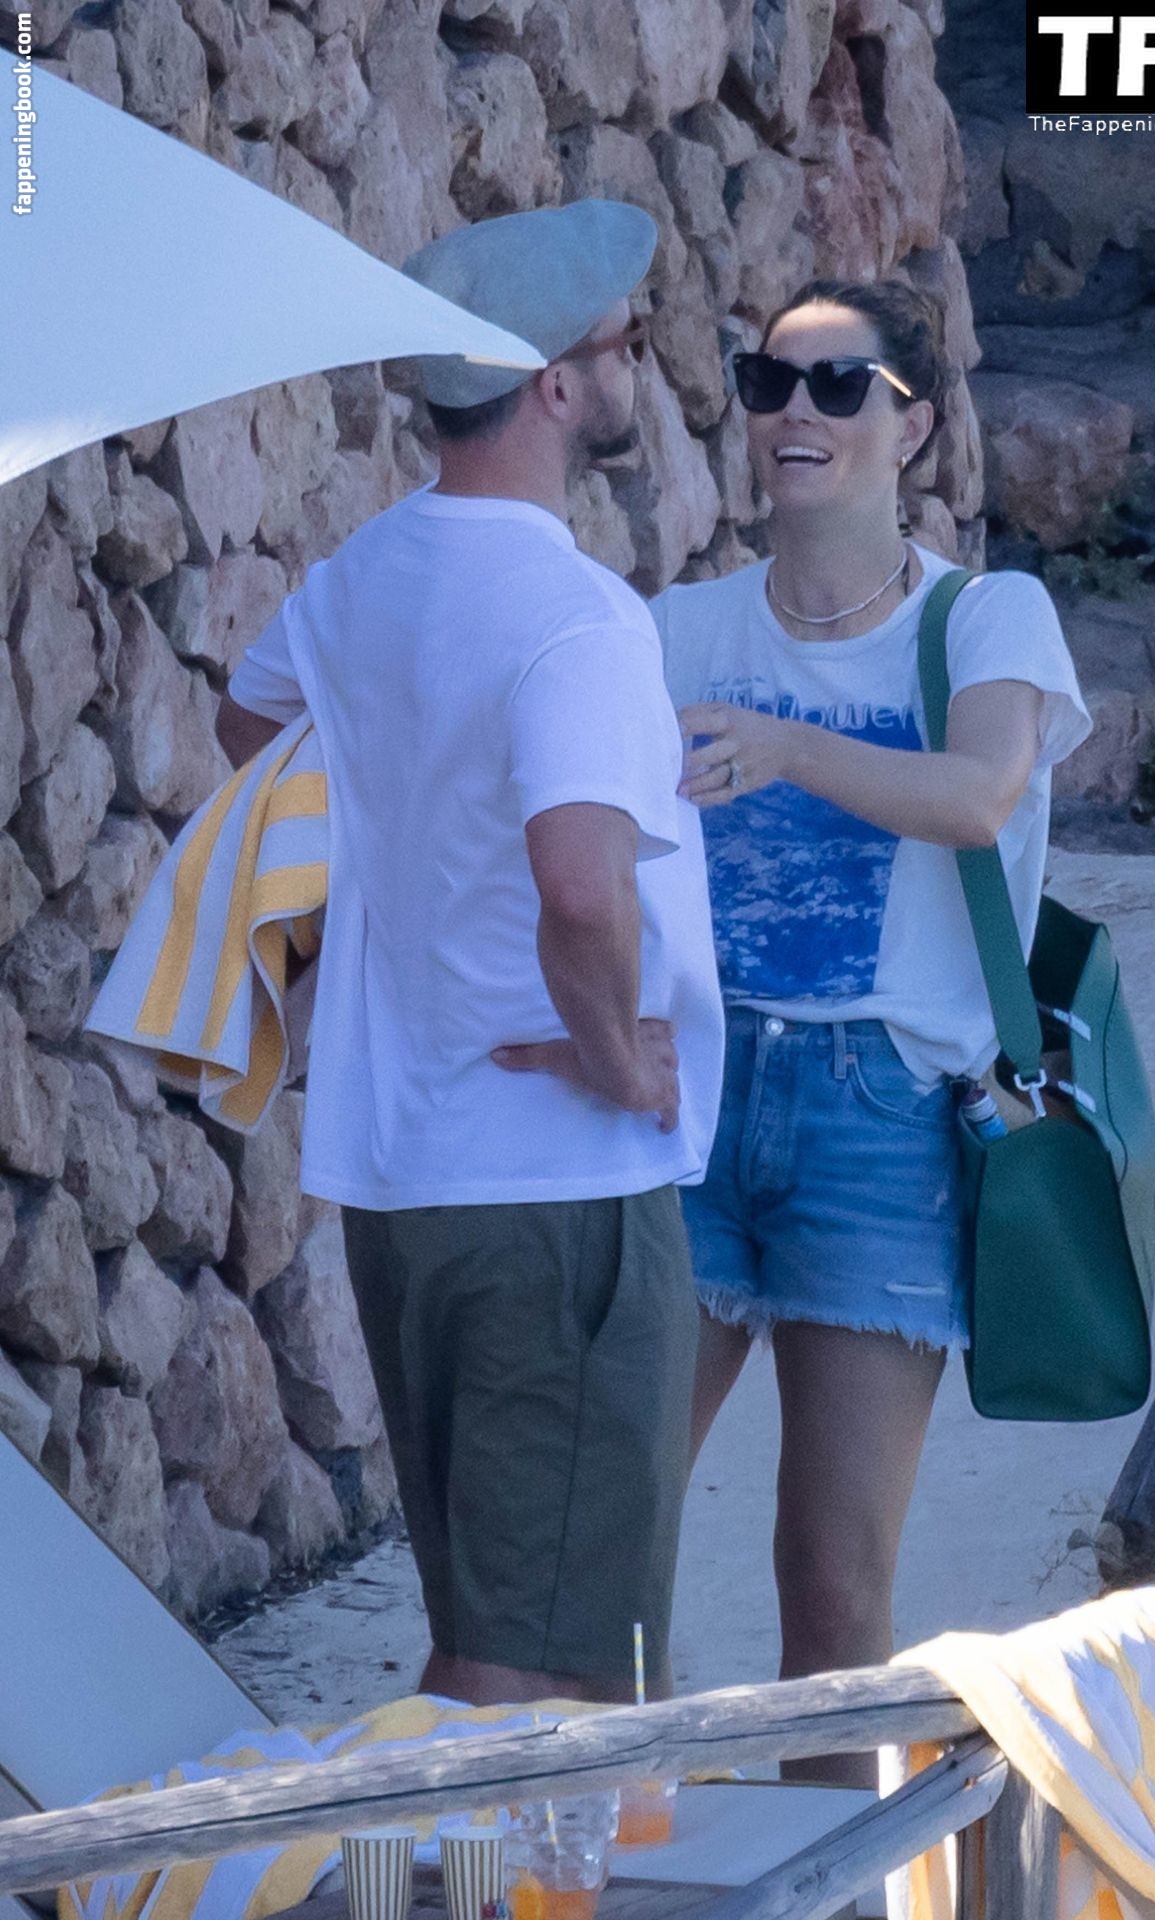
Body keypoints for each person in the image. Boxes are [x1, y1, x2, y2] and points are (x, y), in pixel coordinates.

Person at [215, 201, 723, 1708]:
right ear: (555, 382)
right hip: (556, 1187)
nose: (637, 366)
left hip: (408, 1181)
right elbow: (581, 888)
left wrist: (392, 850)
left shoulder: (359, 578)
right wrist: (619, 1052)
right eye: (624, 343)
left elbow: (249, 728)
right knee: (541, 1671)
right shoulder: (577, 617)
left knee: (500, 1628)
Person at [651, 278, 1090, 1781]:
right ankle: (617, 1843)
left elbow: (974, 793)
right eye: (770, 382)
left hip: (882, 1116)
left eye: (842, 387)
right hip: (695, 1099)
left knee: (832, 1585)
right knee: (610, 1533)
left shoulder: (986, 617)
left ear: (912, 427)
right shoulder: (681, 629)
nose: (798, 412)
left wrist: (781, 747)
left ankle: (823, 1876)